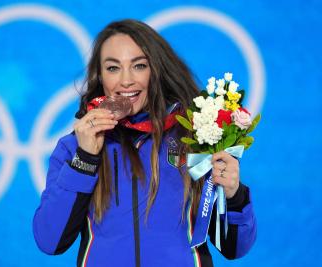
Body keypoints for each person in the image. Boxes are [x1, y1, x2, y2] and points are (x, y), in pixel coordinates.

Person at [33, 19, 256, 267]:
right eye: (113, 68)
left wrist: (234, 196)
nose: (126, 81)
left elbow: (234, 247)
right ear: (100, 76)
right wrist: (85, 160)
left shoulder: (194, 138)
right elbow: (49, 241)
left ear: (157, 70)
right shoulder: (76, 146)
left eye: (139, 66)